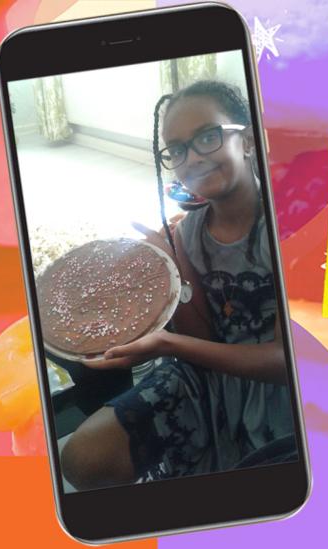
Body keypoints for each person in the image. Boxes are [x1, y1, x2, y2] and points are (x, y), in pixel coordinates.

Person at [60, 80, 295, 490]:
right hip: (205, 370)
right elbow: (201, 336)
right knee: (82, 458)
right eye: (178, 149)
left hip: (280, 392)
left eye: (208, 136)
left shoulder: (291, 228)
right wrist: (175, 261)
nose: (193, 158)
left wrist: (166, 344)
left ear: (249, 140)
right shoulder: (190, 233)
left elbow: (287, 363)